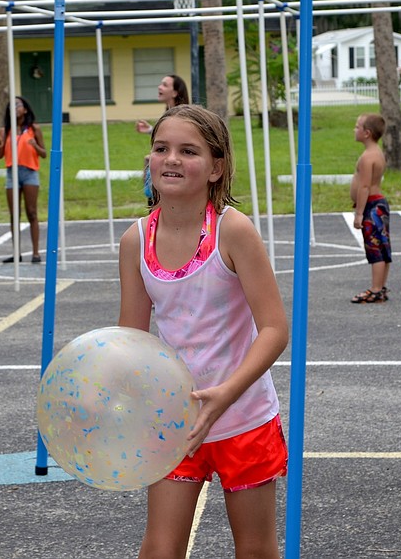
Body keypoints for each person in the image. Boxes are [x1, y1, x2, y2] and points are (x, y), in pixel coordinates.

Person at [118, 105, 288, 559]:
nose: (171, 159)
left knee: (255, 550)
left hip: (243, 417)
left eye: (188, 151)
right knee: (159, 550)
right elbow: (132, 339)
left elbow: (274, 327)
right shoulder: (135, 239)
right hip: (176, 421)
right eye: (161, 148)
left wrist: (227, 392)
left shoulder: (234, 230)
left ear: (216, 167)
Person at [0, 95, 46, 263]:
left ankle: (36, 252)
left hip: (30, 172)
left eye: (18, 105)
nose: (15, 108)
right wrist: (0, 145)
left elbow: (44, 154)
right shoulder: (5, 131)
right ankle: (16, 252)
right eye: (12, 106)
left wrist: (35, 145)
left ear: (25, 109)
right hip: (12, 173)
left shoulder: (34, 129)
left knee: (31, 212)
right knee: (14, 214)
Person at [349, 113, 391, 304]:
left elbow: (364, 186)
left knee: (375, 248)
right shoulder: (377, 152)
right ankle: (380, 287)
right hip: (378, 204)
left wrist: (359, 213)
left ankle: (376, 289)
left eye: (357, 127)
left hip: (372, 206)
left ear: (366, 133)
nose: (354, 130)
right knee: (382, 247)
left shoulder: (368, 157)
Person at [134, 74, 190, 203]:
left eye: (165, 85)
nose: (159, 87)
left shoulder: (182, 115)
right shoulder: (169, 113)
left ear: (175, 92)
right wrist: (150, 130)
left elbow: (180, 138)